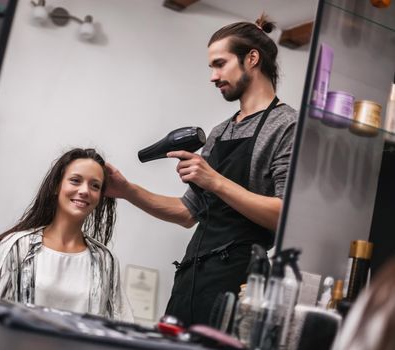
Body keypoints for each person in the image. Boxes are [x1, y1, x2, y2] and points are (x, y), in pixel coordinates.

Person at [105, 15, 297, 325]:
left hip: (240, 285)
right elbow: (186, 213)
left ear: (251, 59)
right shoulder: (220, 132)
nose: (213, 76)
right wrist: (126, 191)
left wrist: (214, 180)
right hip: (192, 278)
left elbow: (284, 216)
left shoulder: (286, 126)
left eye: (220, 64)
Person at [0, 148, 133, 322]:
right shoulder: (17, 246)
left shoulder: (105, 260)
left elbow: (118, 324)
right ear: (56, 186)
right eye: (75, 181)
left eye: (95, 186)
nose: (84, 191)